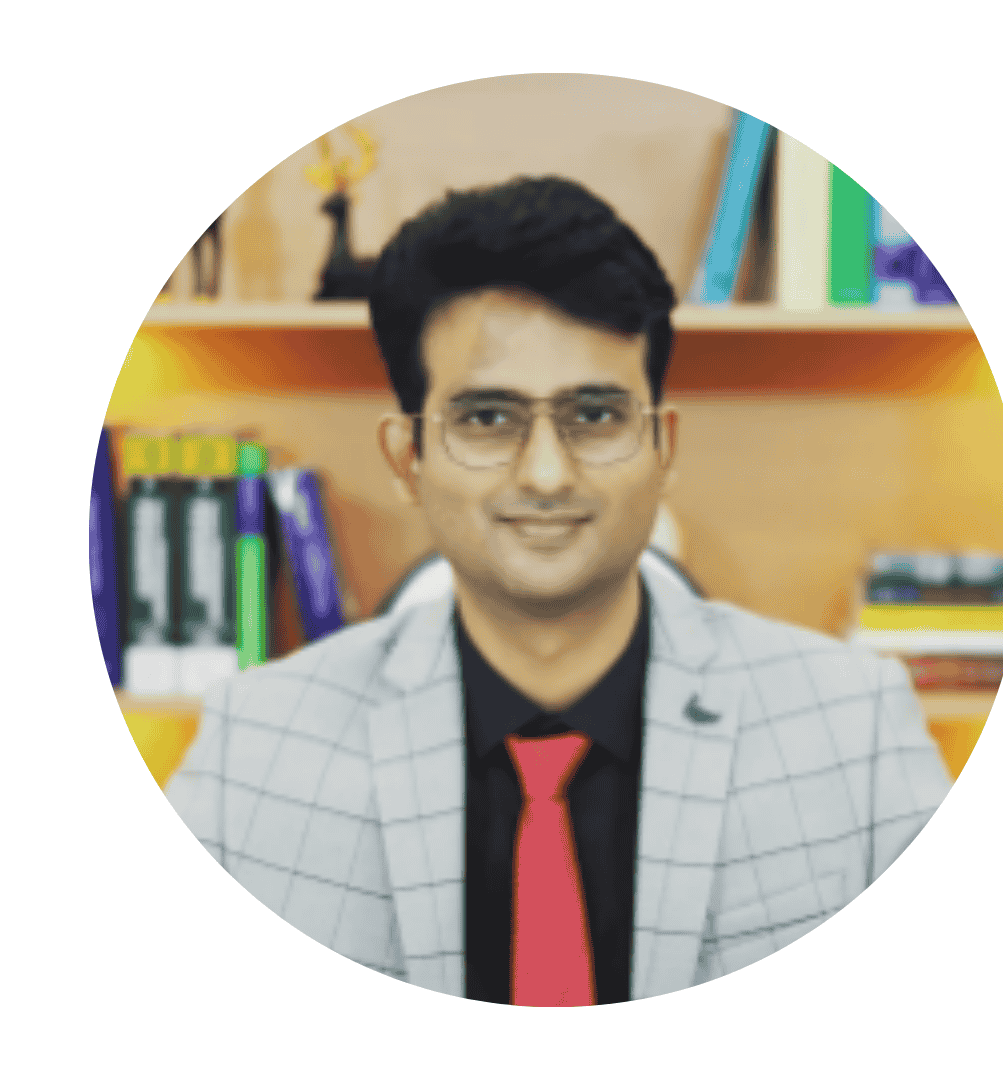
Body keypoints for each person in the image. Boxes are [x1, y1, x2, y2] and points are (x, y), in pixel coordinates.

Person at [166, 176, 953, 1005]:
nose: (547, 474)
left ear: (663, 447)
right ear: (407, 459)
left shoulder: (853, 733)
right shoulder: (254, 752)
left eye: (596, 416)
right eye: (487, 419)